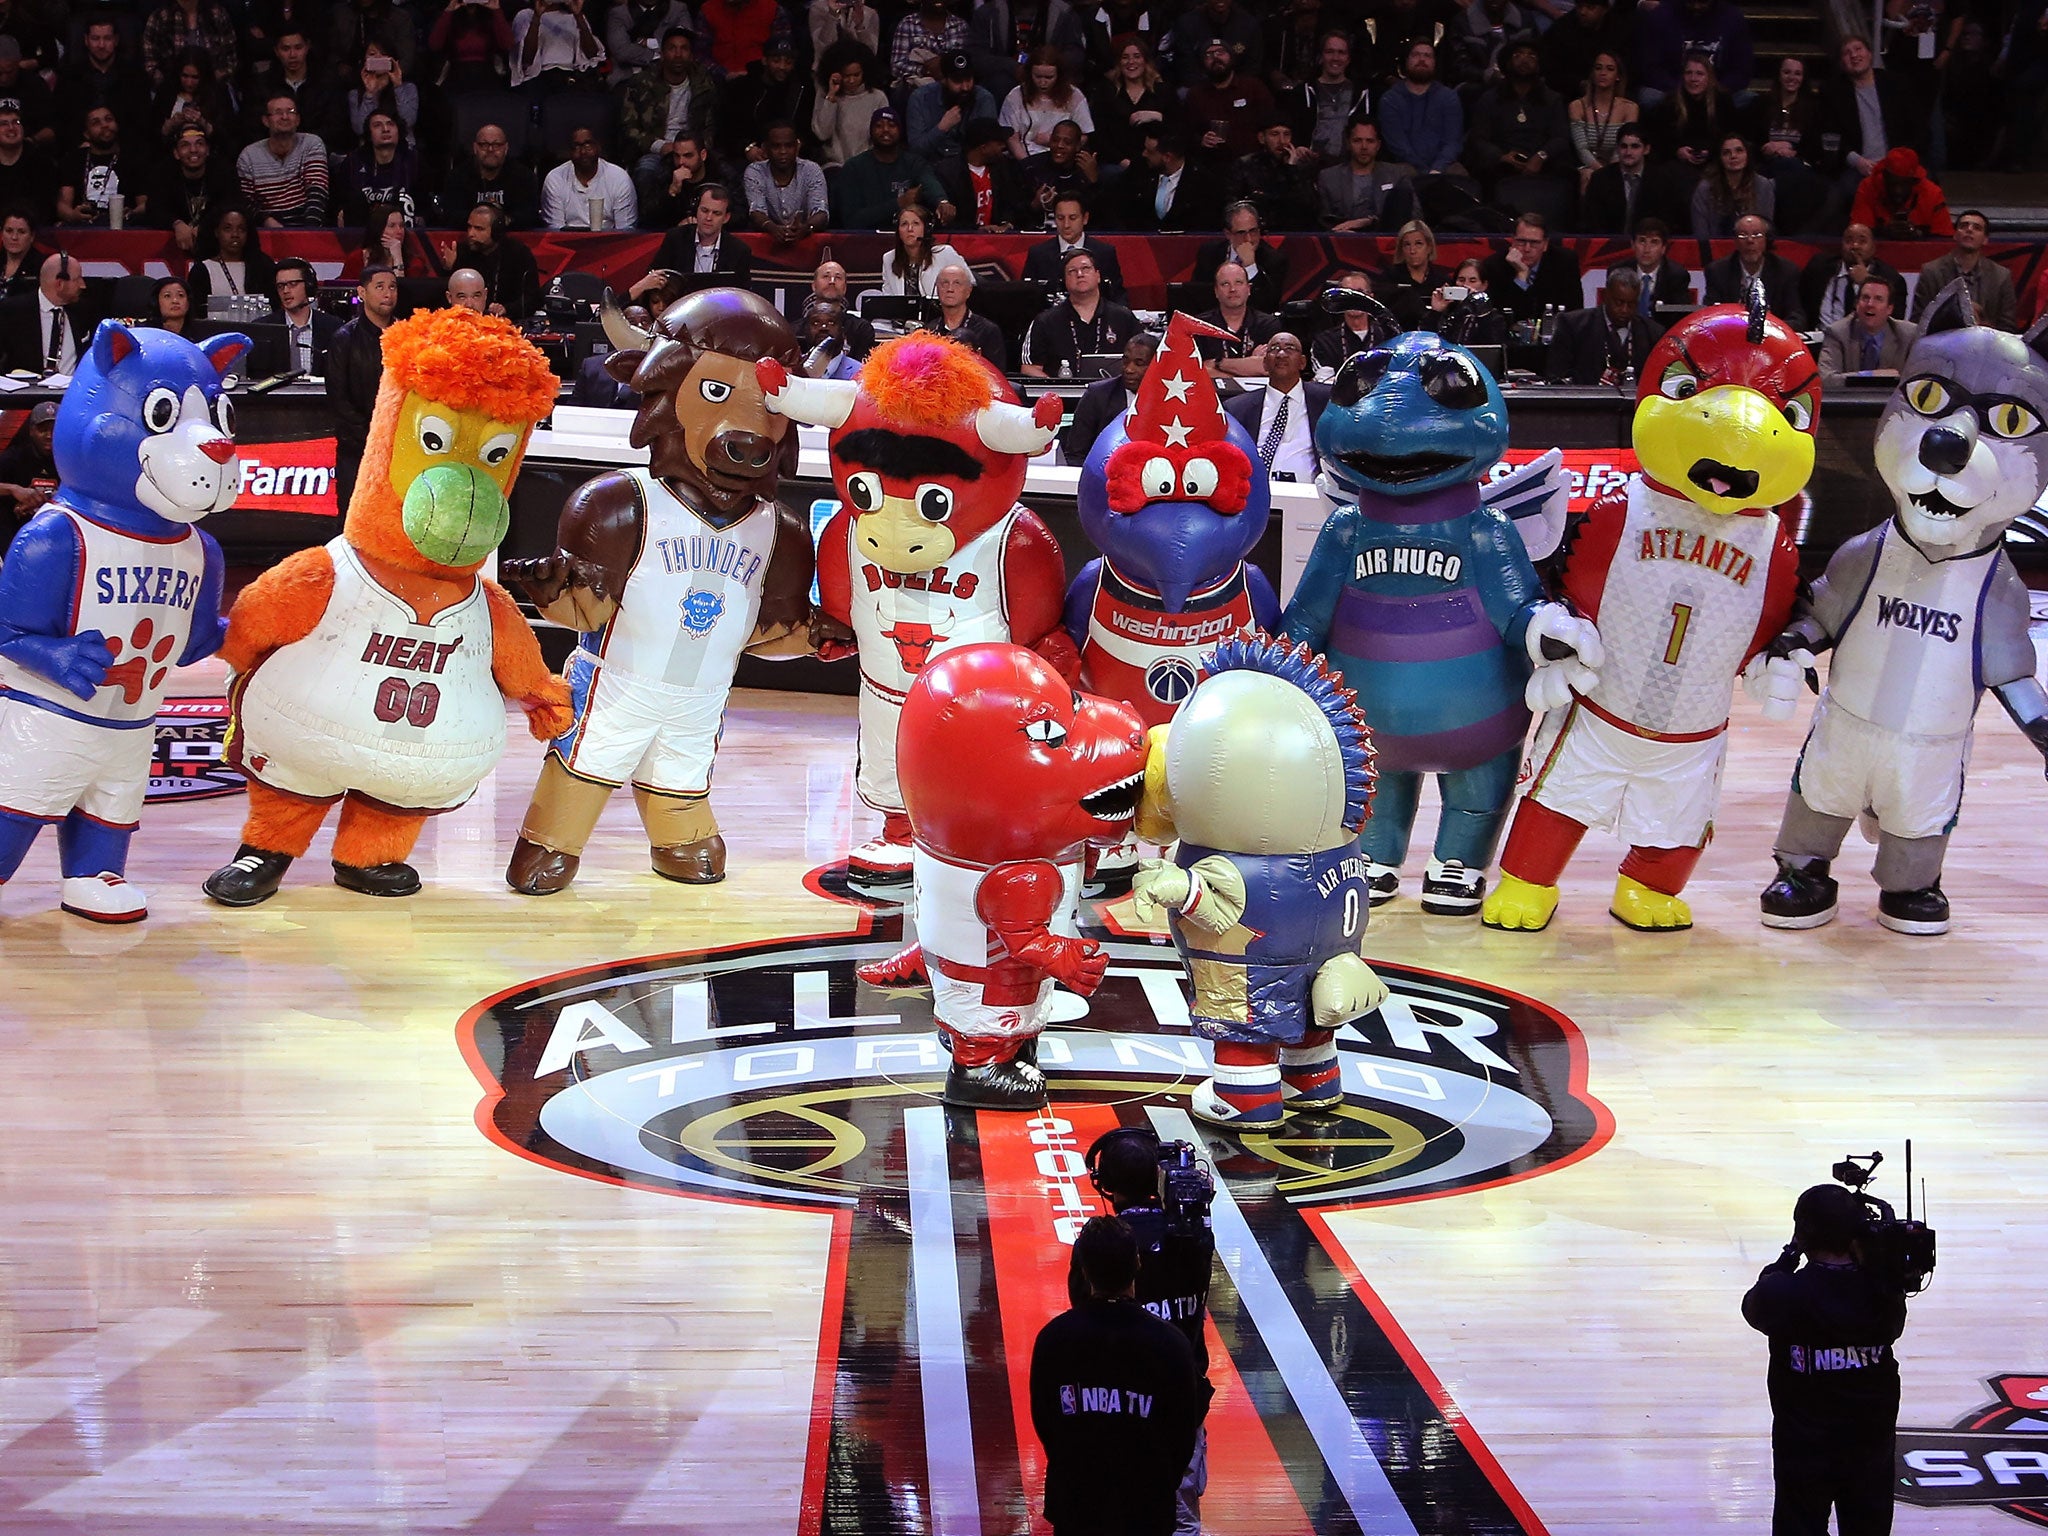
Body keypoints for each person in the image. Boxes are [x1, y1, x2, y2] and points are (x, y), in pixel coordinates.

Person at [1741, 1185, 1909, 1536]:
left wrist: (1790, 1254)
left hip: (1803, 1450)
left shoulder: (1783, 1293)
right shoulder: (1886, 1291)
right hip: (1869, 1446)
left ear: (1803, 1233)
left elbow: (1754, 1305)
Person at [1074, 1128, 1218, 1534]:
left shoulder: (1102, 1247)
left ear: (1104, 1183)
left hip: (1113, 1406)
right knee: (1180, 1516)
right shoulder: (1196, 1237)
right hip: (1181, 1403)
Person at [1031, 1216, 1203, 1536]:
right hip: (1147, 1508)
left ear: (1082, 1269)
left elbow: (1046, 1422)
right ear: (1138, 1263)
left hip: (1077, 1504)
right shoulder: (1171, 1345)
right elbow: (1182, 1435)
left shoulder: (1053, 1339)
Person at [1465, 37, 1573, 226]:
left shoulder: (1552, 99)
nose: (1525, 59)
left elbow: (1561, 137)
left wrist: (1540, 156)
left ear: (1539, 65)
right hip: (1502, 165)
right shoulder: (1490, 99)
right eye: (1518, 55)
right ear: (1507, 63)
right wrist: (1501, 156)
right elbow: (1478, 138)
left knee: (1568, 173)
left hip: (1543, 163)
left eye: (1531, 55)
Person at [326, 264, 398, 513]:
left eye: (392, 287)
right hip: (357, 448)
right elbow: (339, 399)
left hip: (400, 447)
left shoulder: (408, 334)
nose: (387, 293)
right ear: (362, 292)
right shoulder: (345, 338)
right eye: (379, 287)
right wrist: (372, 435)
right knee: (354, 518)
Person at [619, 27, 716, 200]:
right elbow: (629, 128)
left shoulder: (704, 83)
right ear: (662, 54)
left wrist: (695, 150)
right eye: (672, 48)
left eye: (684, 48)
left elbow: (711, 126)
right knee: (645, 171)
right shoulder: (641, 83)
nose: (678, 54)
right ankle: (649, 224)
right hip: (656, 149)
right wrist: (660, 146)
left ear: (692, 55)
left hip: (693, 150)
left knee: (722, 173)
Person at [1223, 331, 1325, 482]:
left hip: (1312, 495)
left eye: (1290, 348)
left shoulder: (1325, 401)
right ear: (1264, 363)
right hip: (1256, 494)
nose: (1281, 354)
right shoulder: (1237, 408)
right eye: (1274, 349)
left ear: (1302, 362)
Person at [1022, 248, 1137, 376]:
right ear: (1065, 281)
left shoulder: (1124, 318)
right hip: (1062, 393)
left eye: (1086, 268)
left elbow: (1145, 362)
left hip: (1114, 393)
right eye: (1072, 271)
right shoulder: (1045, 322)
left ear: (1098, 275)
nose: (1080, 274)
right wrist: (1056, 389)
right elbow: (1029, 368)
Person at [834, 108, 951, 230]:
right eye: (879, 126)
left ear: (900, 131)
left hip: (906, 239)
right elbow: (852, 220)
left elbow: (929, 182)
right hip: (864, 241)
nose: (885, 130)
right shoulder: (854, 167)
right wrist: (899, 203)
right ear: (871, 132)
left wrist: (942, 202)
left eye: (892, 125)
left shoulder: (914, 163)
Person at [636, 185, 754, 305]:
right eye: (704, 210)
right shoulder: (676, 238)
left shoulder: (739, 250)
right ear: (696, 211)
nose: (708, 218)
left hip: (719, 315)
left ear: (726, 218)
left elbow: (743, 296)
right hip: (679, 310)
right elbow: (654, 274)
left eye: (716, 213)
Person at [1544, 268, 1662, 383]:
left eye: (1631, 304)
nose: (1624, 310)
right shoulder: (1573, 326)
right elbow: (1556, 377)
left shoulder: (1652, 333)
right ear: (1605, 296)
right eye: (1619, 303)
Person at [717, 38, 817, 172]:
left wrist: (798, 144)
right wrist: (747, 148)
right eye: (776, 61)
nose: (782, 67)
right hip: (750, 157)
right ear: (765, 60)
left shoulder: (802, 89)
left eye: (788, 62)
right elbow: (727, 129)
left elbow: (807, 129)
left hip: (789, 155)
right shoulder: (742, 87)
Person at [1909, 209, 2017, 329]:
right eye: (1963, 226)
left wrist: (1982, 325)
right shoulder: (1931, 271)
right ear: (1955, 235)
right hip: (1941, 343)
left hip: (1987, 344)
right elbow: (1918, 321)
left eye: (1977, 228)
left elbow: (2008, 326)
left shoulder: (2001, 276)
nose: (1969, 230)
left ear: (1985, 239)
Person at [435, 202, 540, 320]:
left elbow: (532, 299)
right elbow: (448, 299)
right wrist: (450, 269)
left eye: (479, 229)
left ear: (496, 231)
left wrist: (506, 309)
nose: (471, 234)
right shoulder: (461, 251)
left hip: (509, 322)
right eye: (469, 227)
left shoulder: (518, 253)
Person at [237, 93, 330, 228]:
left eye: (290, 112)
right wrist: (267, 222)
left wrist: (309, 231)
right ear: (265, 121)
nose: (285, 117)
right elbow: (247, 202)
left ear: (298, 119)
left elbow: (317, 191)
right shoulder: (248, 155)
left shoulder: (312, 143)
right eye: (278, 112)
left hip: (308, 225)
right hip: (267, 230)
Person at [1061, 331, 1155, 462]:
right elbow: (1075, 454)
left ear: (1156, 365)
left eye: (1139, 364)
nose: (1129, 369)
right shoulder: (1097, 395)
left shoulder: (1171, 400)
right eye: (1125, 361)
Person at [1644, 52, 1731, 193]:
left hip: (1714, 159)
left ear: (1709, 78)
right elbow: (1659, 138)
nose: (1693, 79)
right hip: (1678, 162)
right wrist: (1677, 151)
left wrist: (1711, 151)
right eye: (1688, 73)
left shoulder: (1722, 101)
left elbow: (1729, 135)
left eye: (1699, 74)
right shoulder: (1670, 102)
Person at [1278, 29, 1367, 164]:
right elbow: (1289, 131)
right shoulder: (1301, 93)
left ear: (1348, 59)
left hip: (1351, 167)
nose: (1335, 58)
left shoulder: (1362, 93)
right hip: (1310, 166)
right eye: (1329, 52)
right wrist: (1298, 147)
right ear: (1321, 56)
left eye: (1341, 52)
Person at [1702, 213, 1808, 328]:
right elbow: (1710, 316)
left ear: (1767, 239)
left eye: (1757, 235)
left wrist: (1768, 328)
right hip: (1731, 336)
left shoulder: (1785, 271)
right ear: (1735, 241)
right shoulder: (1718, 271)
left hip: (1772, 339)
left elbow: (1797, 318)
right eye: (1743, 235)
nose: (1750, 240)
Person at [1378, 40, 1465, 180]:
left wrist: (1437, 168)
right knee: (1401, 174)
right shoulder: (1390, 99)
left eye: (1427, 56)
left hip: (1443, 166)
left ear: (1435, 63)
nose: (1422, 59)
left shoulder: (1449, 97)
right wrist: (1425, 173)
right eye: (1416, 55)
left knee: (1459, 175)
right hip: (1406, 165)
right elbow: (1398, 146)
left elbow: (1453, 141)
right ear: (1406, 61)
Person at [1581, 125, 1688, 238]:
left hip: (1650, 246)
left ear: (1646, 149)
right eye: (1624, 146)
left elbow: (1668, 221)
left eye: (1635, 146)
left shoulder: (1663, 180)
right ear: (1617, 148)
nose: (1628, 152)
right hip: (1608, 247)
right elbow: (1592, 222)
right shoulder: (1600, 178)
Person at [1634, 0, 1752, 101]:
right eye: (1691, 1)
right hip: (1673, 92)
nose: (1696, 7)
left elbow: (1742, 69)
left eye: (1702, 2)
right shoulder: (1661, 15)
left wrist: (1716, 90)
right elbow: (1651, 67)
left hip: (1718, 93)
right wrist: (1681, 90)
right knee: (1649, 96)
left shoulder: (1733, 17)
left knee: (1748, 98)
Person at [1798, 222, 1906, 332]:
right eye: (1849, 241)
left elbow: (1893, 325)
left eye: (1862, 241)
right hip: (1819, 339)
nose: (1855, 246)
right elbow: (1800, 307)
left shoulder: (1891, 279)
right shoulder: (1819, 268)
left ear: (1873, 247)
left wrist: (1867, 282)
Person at [1479, 212, 1583, 326]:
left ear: (1545, 244)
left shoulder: (1565, 262)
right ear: (1512, 240)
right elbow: (1500, 318)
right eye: (1521, 241)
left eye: (1534, 243)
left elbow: (1575, 311)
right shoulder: (1495, 265)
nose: (1527, 249)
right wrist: (1521, 276)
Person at [1184, 38, 1275, 165]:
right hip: (1212, 164)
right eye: (1209, 55)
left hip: (1252, 164)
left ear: (1231, 57)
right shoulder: (1196, 94)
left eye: (1221, 52)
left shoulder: (1253, 87)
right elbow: (1186, 131)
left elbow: (1272, 121)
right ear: (1203, 62)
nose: (1215, 58)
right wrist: (1201, 140)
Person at [0, 251, 92, 375]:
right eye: (77, 279)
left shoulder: (84, 311)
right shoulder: (12, 311)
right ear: (60, 284)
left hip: (70, 391)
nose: (83, 285)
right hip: (26, 392)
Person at [1088, 35, 1169, 175]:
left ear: (1145, 60)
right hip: (1117, 163)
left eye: (1137, 56)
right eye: (1125, 57)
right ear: (1119, 62)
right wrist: (1122, 161)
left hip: (1154, 162)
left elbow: (1177, 126)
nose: (1131, 62)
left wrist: (1157, 116)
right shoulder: (1106, 91)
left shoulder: (1161, 90)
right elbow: (1098, 135)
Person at [1315, 120, 1413, 234]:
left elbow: (1414, 216)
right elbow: (1323, 221)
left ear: (1378, 145)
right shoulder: (1328, 177)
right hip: (1343, 239)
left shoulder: (1397, 174)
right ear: (1348, 143)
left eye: (1370, 141)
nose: (1364, 147)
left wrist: (1370, 221)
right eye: (1357, 141)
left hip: (1387, 239)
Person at [1817, 275, 1919, 384]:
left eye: (1878, 299)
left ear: (1889, 309)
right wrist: (1870, 375)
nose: (1870, 304)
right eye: (1865, 298)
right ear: (1857, 304)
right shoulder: (1838, 332)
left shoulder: (1908, 335)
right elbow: (1825, 379)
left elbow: (1919, 380)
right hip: (1850, 399)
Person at [1022, 191, 1124, 298]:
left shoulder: (1104, 253)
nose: (1066, 225)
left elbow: (1118, 295)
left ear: (1085, 218)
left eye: (1072, 218)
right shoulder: (1038, 254)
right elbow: (1027, 296)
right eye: (1060, 218)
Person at [148, 127, 234, 255]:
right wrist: (176, 223)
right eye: (185, 145)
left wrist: (207, 225)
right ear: (176, 153)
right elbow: (154, 208)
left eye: (199, 144)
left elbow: (232, 205)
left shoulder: (223, 172)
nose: (193, 150)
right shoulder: (163, 173)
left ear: (208, 150)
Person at [1192, 201, 1288, 315]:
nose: (1249, 239)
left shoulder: (1274, 259)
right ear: (1228, 234)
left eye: (1253, 231)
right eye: (1241, 233)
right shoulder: (1209, 253)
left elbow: (1267, 306)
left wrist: (1250, 266)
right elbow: (1197, 296)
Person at [935, 117, 1028, 232]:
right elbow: (950, 221)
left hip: (998, 241)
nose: (1003, 146)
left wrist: (1006, 223)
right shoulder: (948, 173)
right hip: (963, 241)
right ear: (983, 148)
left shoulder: (1004, 167)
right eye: (999, 143)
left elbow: (1012, 205)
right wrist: (977, 230)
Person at [55, 106, 143, 227]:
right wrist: (72, 215)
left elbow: (144, 203)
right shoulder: (74, 159)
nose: (105, 125)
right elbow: (63, 205)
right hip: (83, 229)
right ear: (86, 134)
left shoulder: (133, 158)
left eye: (108, 119)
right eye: (96, 122)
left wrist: (133, 213)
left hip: (123, 229)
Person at [744, 122, 830, 245]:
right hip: (767, 243)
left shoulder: (811, 170)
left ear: (797, 146)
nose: (783, 151)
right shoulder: (755, 171)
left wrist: (806, 228)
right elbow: (756, 211)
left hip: (807, 241)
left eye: (789, 146)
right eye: (776, 146)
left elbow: (821, 212)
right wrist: (772, 228)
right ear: (765, 148)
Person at [1123, 127, 1222, 233]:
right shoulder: (1138, 169)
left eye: (1149, 151)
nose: (1144, 154)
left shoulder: (1203, 182)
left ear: (1167, 157)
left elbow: (1205, 226)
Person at [908, 49, 997, 164]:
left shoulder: (984, 99)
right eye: (958, 81)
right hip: (932, 165)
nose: (965, 87)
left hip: (970, 166)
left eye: (968, 79)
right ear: (944, 80)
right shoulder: (920, 98)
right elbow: (916, 150)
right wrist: (941, 128)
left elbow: (989, 147)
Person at [186, 205, 279, 315]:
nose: (235, 235)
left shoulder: (263, 267)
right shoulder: (201, 270)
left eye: (241, 229)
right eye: (227, 229)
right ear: (216, 232)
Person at [337, 109, 423, 227]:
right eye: (377, 125)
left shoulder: (414, 161)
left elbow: (423, 205)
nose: (385, 129)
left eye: (390, 124)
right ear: (369, 134)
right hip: (362, 234)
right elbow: (343, 202)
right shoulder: (353, 162)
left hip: (404, 231)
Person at [1568, 50, 1639, 193]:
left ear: (1618, 76)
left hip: (1619, 164)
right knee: (1588, 176)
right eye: (1598, 68)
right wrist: (1601, 172)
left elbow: (1624, 146)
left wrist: (1610, 171)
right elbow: (1582, 149)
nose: (1603, 72)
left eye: (1610, 69)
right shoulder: (1577, 106)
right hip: (1587, 166)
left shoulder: (1629, 108)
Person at [541, 126, 638, 230]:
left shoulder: (619, 178)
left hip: (610, 243)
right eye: (577, 146)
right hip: (565, 243)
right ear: (569, 151)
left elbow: (625, 231)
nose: (583, 152)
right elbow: (555, 231)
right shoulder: (555, 179)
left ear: (598, 147)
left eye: (588, 145)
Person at [1003, 48, 1094, 159]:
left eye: (1049, 77)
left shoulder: (1075, 96)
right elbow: (1011, 137)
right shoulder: (1015, 96)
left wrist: (1054, 141)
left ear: (1059, 75)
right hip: (1024, 158)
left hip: (1062, 158)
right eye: (1038, 76)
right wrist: (1026, 163)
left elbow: (1084, 135)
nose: (1043, 82)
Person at [1228, 118, 1316, 232]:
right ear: (1262, 138)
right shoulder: (1245, 165)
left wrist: (1291, 170)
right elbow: (1232, 205)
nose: (1282, 141)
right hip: (1255, 231)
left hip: (1292, 232)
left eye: (1286, 134)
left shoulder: (1299, 166)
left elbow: (1309, 207)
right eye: (1274, 134)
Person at [1194, 260, 1279, 377]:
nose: (1232, 289)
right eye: (1225, 284)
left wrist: (1217, 363)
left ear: (1248, 289)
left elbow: (1266, 367)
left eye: (1238, 282)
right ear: (1216, 291)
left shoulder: (1268, 324)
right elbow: (1196, 370)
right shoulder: (1198, 326)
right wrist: (1248, 364)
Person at [1847, 147, 1951, 240]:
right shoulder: (1868, 187)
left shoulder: (1932, 193)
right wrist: (1883, 232)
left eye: (1904, 184)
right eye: (1892, 183)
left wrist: (1919, 235)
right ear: (1884, 177)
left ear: (1915, 181)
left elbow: (1945, 240)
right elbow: (1857, 235)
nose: (1898, 190)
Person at [811, 54, 889, 169]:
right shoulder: (826, 95)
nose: (851, 80)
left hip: (868, 166)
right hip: (835, 166)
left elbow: (883, 137)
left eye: (856, 75)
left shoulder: (878, 97)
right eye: (846, 76)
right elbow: (822, 134)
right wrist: (832, 96)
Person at [1608, 218, 1695, 319]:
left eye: (1654, 242)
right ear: (1632, 244)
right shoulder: (1618, 272)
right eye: (1642, 241)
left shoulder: (1677, 276)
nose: (1647, 249)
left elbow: (1680, 315)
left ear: (1663, 248)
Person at [927, 261, 1006, 372]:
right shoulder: (928, 331)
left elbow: (997, 376)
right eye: (944, 283)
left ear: (968, 291)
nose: (950, 289)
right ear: (937, 289)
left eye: (957, 283)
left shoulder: (988, 330)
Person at [1692, 133, 1774, 239]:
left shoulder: (1763, 185)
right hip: (1714, 249)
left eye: (1739, 151)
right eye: (1726, 153)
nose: (1733, 156)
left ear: (1747, 155)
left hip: (1752, 247)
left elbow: (1765, 229)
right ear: (1720, 159)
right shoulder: (1705, 188)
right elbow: (1701, 233)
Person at [510, 0, 605, 91]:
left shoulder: (574, 17)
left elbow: (592, 55)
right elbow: (526, 59)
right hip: (540, 78)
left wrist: (578, 14)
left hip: (572, 76)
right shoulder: (525, 16)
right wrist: (537, 16)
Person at [1375, 218, 1451, 332]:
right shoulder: (1388, 278)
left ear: (1429, 247)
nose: (1412, 250)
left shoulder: (1442, 281)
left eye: (1418, 244)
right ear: (1401, 249)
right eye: (1407, 245)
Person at [879, 203, 968, 299]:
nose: (910, 229)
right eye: (904, 224)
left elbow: (969, 283)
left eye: (916, 224)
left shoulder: (944, 253)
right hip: (902, 314)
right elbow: (888, 298)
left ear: (926, 229)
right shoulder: (889, 258)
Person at [0, 398, 57, 546]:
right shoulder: (15, 456)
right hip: (17, 533)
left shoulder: (71, 459)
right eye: (43, 430)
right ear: (31, 431)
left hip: (58, 532)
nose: (49, 436)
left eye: (54, 430)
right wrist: (13, 490)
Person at [1166, 0, 1260, 89]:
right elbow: (1187, 68)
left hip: (1238, 87)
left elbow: (1252, 66)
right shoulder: (1186, 24)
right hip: (1199, 89)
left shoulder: (1248, 24)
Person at [1424, 255, 1510, 347]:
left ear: (1484, 285)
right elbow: (1425, 341)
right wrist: (1436, 312)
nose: (1465, 285)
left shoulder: (1492, 317)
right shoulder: (1446, 312)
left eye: (1472, 281)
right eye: (1461, 280)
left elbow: (1492, 347)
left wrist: (1476, 306)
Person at [891, 0, 968, 100]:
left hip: (952, 82)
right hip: (917, 85)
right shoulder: (907, 24)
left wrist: (944, 66)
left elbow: (966, 62)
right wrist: (926, 70)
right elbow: (896, 66)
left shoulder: (961, 26)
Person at [274, 256, 340, 372]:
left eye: (293, 284)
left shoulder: (334, 327)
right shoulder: (266, 327)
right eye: (281, 286)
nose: (285, 291)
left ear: (309, 286)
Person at [1310, 269, 1378, 380]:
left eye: (1360, 292)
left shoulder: (1388, 336)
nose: (1354, 298)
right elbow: (1325, 382)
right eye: (1347, 293)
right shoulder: (1324, 342)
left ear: (1371, 297)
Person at [810, 260, 877, 358]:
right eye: (826, 276)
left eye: (838, 277)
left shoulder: (861, 329)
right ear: (814, 286)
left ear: (845, 288)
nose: (832, 281)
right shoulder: (797, 330)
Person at [0, 109, 50, 227]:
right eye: (3, 124)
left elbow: (45, 206)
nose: (11, 128)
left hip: (32, 230)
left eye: (16, 122)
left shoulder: (41, 162)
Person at [0, 208, 40, 299]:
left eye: (21, 232)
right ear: (2, 234)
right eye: (9, 231)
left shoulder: (42, 267)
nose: (14, 237)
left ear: (32, 236)